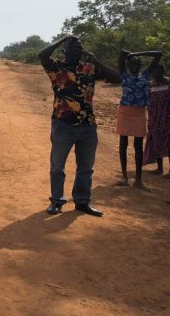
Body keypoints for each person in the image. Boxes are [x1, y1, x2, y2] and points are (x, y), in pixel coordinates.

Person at [39, 36, 121, 216]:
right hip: (62, 125)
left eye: (80, 47)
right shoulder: (56, 68)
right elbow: (42, 55)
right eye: (73, 47)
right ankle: (57, 201)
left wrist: (96, 61)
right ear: (64, 51)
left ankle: (82, 202)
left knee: (86, 168)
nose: (77, 50)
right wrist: (63, 38)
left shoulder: (89, 69)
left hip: (87, 125)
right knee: (57, 166)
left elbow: (117, 78)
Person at [116, 50, 162, 189]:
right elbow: (122, 54)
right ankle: (124, 177)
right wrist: (128, 55)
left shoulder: (146, 74)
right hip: (124, 112)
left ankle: (138, 180)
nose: (134, 65)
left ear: (140, 64)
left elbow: (158, 54)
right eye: (131, 63)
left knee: (138, 146)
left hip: (140, 113)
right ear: (128, 65)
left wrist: (138, 53)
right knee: (123, 144)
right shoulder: (123, 74)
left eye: (137, 63)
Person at [144, 63, 170, 177]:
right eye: (154, 72)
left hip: (168, 118)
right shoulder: (150, 85)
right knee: (156, 141)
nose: (156, 74)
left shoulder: (169, 83)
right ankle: (159, 168)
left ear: (163, 72)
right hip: (154, 118)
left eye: (158, 71)